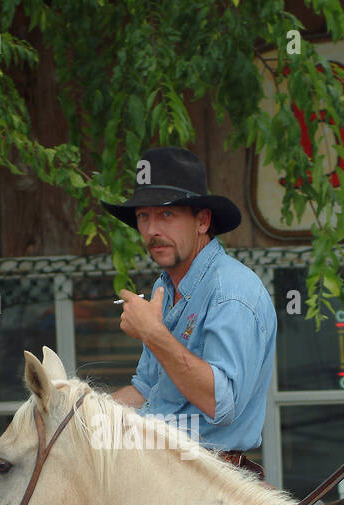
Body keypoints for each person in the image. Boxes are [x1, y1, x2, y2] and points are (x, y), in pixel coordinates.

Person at [103, 146, 275, 475]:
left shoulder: (231, 293)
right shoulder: (163, 288)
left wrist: (153, 333)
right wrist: (78, 414)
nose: (152, 230)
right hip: (162, 469)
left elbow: (219, 404)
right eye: (143, 216)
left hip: (208, 479)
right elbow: (145, 390)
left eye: (166, 214)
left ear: (202, 221)